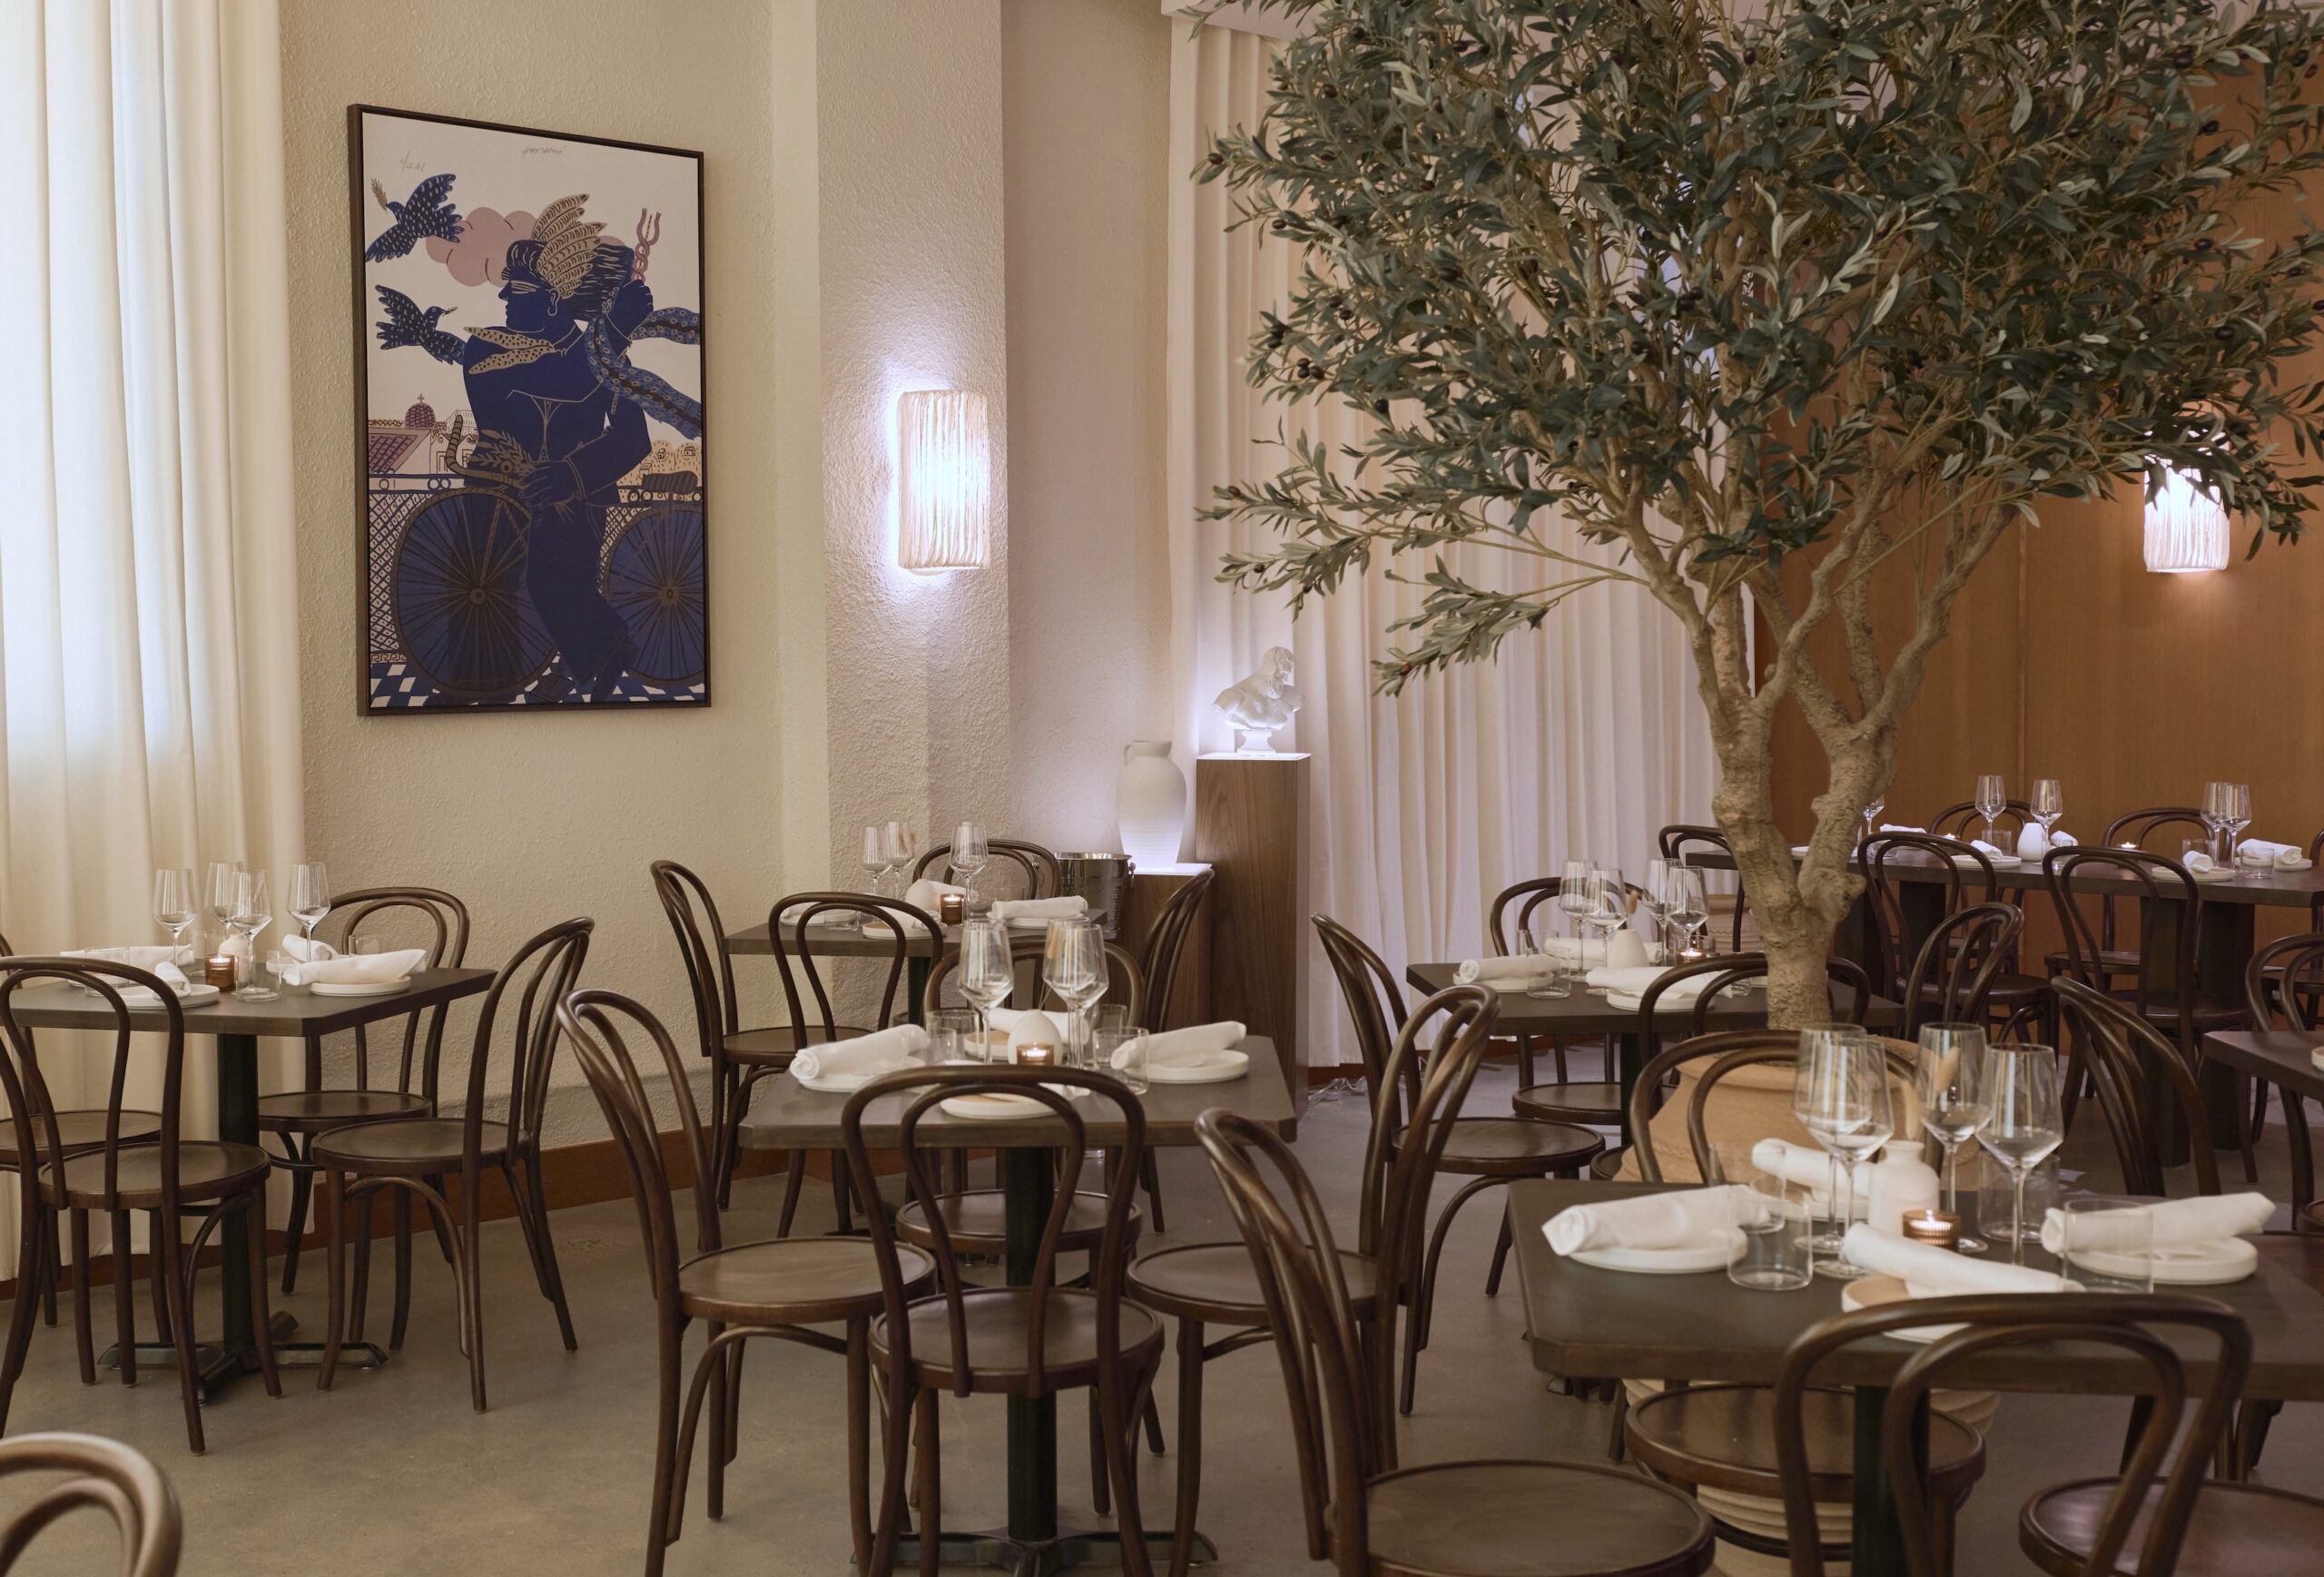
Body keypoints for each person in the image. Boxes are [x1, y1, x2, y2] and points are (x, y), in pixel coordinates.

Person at [460, 204, 653, 701]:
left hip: (575, 504)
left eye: (518, 289)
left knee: (556, 579)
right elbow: (558, 380)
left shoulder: (606, 357)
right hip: (496, 505)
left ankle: (585, 663)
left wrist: (573, 475)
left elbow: (634, 439)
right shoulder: (487, 349)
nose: (503, 296)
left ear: (551, 300)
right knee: (487, 597)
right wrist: (613, 335)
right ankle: (484, 683)